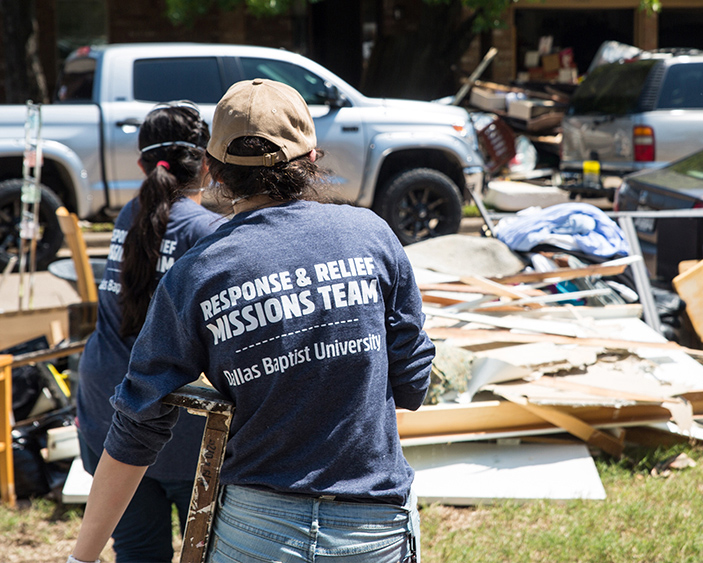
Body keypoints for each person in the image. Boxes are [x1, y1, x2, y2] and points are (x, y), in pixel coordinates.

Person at [69, 78, 434, 563]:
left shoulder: (198, 269)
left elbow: (138, 423)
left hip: (255, 530)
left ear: (215, 170)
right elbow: (412, 385)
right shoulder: (372, 235)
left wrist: (80, 557)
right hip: (370, 526)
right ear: (310, 158)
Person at [74, 100, 225, 563]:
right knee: (211, 550)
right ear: (206, 164)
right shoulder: (210, 232)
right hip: (174, 428)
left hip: (107, 408)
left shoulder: (129, 216)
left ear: (142, 164)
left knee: (138, 550)